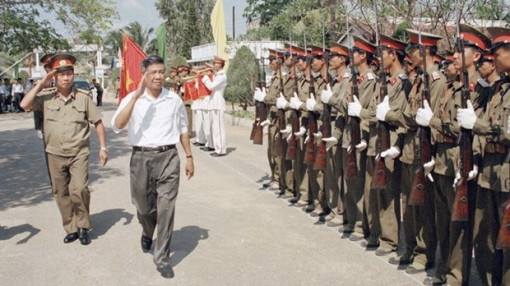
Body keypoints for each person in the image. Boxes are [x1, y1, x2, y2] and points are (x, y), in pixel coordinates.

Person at [111, 55, 194, 278]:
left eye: (161, 71)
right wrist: (136, 96)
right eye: (153, 73)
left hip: (168, 156)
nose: (158, 76)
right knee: (144, 208)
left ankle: (162, 258)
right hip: (141, 158)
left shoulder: (173, 99)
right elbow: (118, 125)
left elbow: (183, 129)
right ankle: (148, 231)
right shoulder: (133, 98)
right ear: (144, 75)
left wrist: (189, 156)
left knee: (166, 208)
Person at [20, 53, 108, 246]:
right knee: (61, 192)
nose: (66, 78)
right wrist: (43, 81)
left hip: (79, 153)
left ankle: (84, 226)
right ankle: (71, 228)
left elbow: (98, 123)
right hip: (54, 153)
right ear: (55, 77)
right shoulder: (46, 98)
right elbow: (24, 104)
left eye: (69, 73)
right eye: (61, 74)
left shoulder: (83, 99)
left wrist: (103, 147)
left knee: (79, 189)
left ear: (73, 75)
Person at [202, 56, 228, 156]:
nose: (214, 65)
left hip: (218, 103)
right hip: (214, 103)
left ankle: (221, 149)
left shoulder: (221, 76)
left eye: (215, 64)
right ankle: (217, 147)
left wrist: (205, 78)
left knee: (219, 128)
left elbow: (211, 86)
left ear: (220, 65)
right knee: (215, 128)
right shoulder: (217, 75)